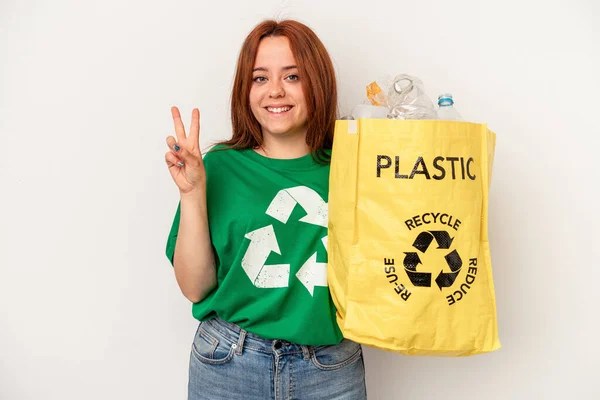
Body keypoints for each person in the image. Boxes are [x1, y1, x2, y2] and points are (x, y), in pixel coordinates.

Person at [164, 19, 367, 400]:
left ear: (317, 83)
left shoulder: (355, 165)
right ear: (246, 89)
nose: (275, 90)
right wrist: (192, 193)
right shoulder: (219, 167)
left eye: (293, 76)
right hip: (228, 362)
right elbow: (195, 287)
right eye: (260, 78)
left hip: (330, 367)